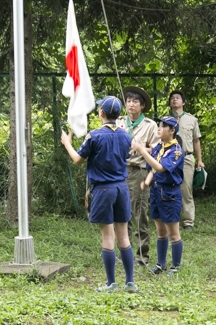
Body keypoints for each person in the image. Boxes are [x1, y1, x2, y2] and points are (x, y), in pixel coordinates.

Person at [61, 96, 137, 293]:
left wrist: (67, 143)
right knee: (124, 237)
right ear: (118, 114)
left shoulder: (94, 136)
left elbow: (78, 159)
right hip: (122, 188)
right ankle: (130, 282)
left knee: (108, 238)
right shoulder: (125, 135)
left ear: (101, 113)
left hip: (103, 190)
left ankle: (111, 283)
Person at [132, 116, 185, 276]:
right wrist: (147, 182)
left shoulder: (176, 151)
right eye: (159, 125)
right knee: (161, 231)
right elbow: (152, 170)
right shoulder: (158, 148)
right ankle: (161, 264)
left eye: (163, 126)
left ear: (172, 131)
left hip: (170, 193)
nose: (159, 128)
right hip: (156, 192)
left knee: (173, 233)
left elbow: (160, 167)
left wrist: (142, 151)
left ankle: (175, 266)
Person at [117, 86, 159, 266]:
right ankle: (124, 253)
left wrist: (141, 148)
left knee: (139, 213)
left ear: (142, 106)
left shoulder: (150, 125)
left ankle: (142, 256)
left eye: (135, 102)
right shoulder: (119, 121)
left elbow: (158, 150)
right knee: (120, 213)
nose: (131, 105)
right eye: (128, 101)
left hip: (139, 171)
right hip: (119, 171)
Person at [169, 90, 205, 230]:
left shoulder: (192, 120)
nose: (174, 100)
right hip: (169, 158)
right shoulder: (165, 120)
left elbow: (196, 141)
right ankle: (171, 218)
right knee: (169, 188)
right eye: (172, 98)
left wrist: (199, 160)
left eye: (177, 98)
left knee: (186, 189)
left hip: (187, 158)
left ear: (183, 102)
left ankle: (188, 221)